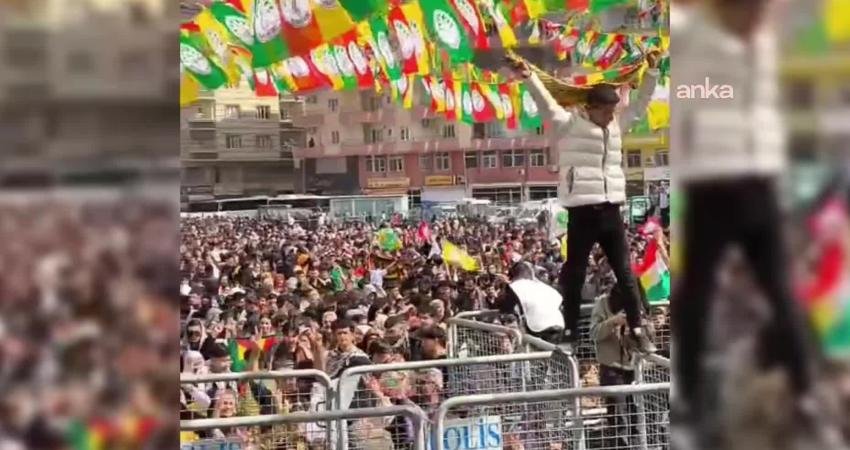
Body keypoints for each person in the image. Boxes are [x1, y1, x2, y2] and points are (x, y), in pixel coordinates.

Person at [671, 0, 841, 447]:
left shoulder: (697, 38)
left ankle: (687, 397)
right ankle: (805, 388)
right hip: (759, 182)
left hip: (717, 181)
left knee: (697, 294)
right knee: (779, 290)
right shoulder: (765, 44)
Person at [506, 50, 660, 353]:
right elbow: (545, 103)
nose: (611, 116)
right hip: (581, 210)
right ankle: (570, 334)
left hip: (611, 208)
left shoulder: (617, 126)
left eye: (614, 110)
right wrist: (528, 76)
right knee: (573, 274)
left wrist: (652, 73)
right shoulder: (568, 123)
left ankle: (638, 329)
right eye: (606, 111)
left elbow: (641, 106)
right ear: (591, 107)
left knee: (626, 275)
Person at [589, 285, 646, 448]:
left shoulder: (637, 303)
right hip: (611, 367)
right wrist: (613, 322)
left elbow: (649, 332)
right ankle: (621, 445)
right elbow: (593, 333)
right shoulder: (601, 304)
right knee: (617, 414)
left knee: (636, 411)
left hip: (634, 366)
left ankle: (637, 443)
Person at [496, 261, 565, 345]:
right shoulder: (543, 286)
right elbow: (559, 299)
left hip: (539, 326)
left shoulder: (515, 286)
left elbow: (505, 307)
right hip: (558, 322)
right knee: (554, 354)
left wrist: (504, 286)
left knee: (541, 354)